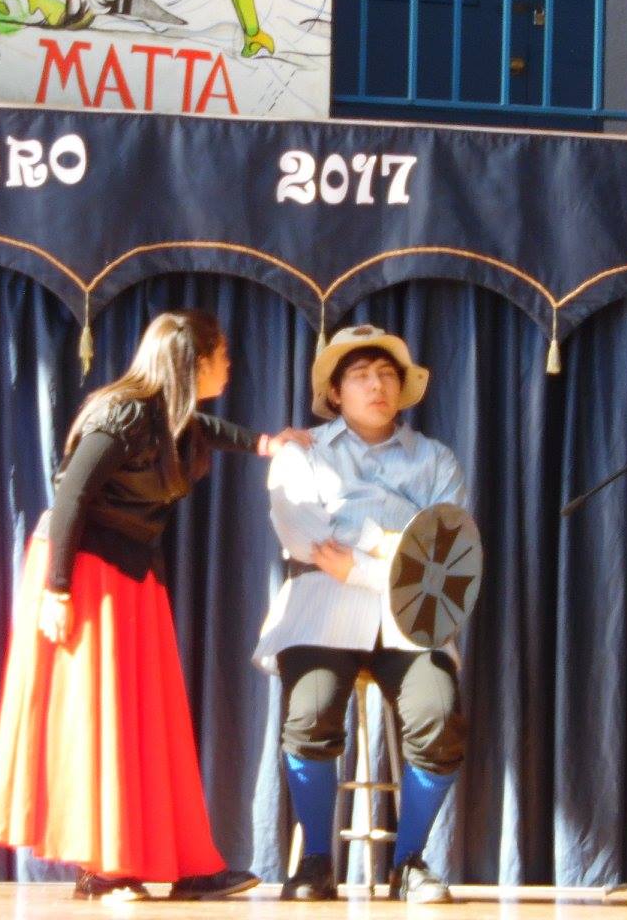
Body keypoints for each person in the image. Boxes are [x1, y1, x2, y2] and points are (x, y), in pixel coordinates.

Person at [0, 309, 306, 902]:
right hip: (84, 570)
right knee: (101, 719)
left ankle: (181, 863)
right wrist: (58, 590)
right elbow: (72, 495)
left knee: (150, 723)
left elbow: (208, 428)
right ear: (195, 362)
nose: (230, 364)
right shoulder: (124, 413)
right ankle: (104, 867)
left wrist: (265, 443)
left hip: (130, 572)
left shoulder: (172, 417)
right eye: (222, 354)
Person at [253, 324, 469, 904]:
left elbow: (446, 554)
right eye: (361, 376)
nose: (377, 386)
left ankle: (409, 862)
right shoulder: (303, 452)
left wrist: (363, 565)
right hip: (321, 609)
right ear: (335, 393)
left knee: (438, 717)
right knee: (310, 714)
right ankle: (315, 864)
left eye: (387, 375)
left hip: (411, 616)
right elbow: (305, 537)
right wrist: (399, 547)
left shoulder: (436, 460)